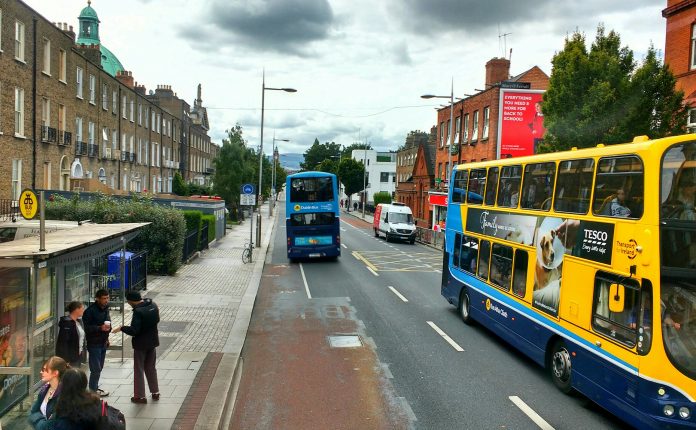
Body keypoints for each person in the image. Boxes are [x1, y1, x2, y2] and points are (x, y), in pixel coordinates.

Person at [113, 291, 160, 404]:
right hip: (152, 342)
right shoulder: (152, 304)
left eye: (128, 302)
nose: (128, 304)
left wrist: (122, 328)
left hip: (141, 344)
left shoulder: (138, 311)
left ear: (131, 301)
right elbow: (157, 320)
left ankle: (140, 396)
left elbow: (135, 330)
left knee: (139, 369)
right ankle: (155, 392)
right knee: (151, 367)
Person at [82, 289, 111, 397]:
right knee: (96, 368)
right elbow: (87, 328)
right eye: (104, 298)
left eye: (107, 298)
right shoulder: (90, 311)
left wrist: (107, 336)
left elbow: (108, 324)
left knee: (100, 367)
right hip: (94, 343)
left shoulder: (106, 309)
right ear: (97, 299)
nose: (106, 300)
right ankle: (93, 390)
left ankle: (94, 387)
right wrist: (100, 328)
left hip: (103, 342)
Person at [28, 356, 68, 430]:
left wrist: (38, 421)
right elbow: (32, 413)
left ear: (55, 373)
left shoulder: (63, 396)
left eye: (45, 370)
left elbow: (51, 426)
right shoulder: (44, 390)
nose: (41, 372)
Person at [56, 301, 86, 368]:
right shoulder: (67, 323)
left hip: (78, 356)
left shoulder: (78, 322)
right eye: (82, 308)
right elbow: (63, 343)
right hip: (71, 358)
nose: (83, 311)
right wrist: (65, 360)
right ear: (76, 309)